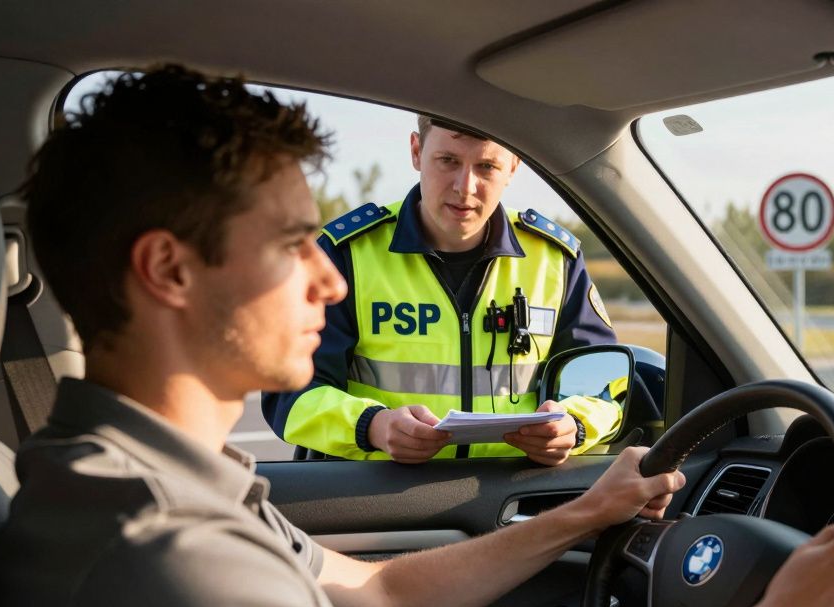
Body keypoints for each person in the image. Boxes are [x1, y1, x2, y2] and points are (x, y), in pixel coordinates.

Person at [0, 64, 834, 607]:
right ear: (169, 270)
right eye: (293, 243)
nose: (330, 280)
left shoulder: (161, 489)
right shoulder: (161, 552)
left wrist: (584, 511)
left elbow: (381, 597)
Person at [261, 115, 619, 465]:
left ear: (513, 166)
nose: (465, 187)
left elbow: (610, 384)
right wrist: (372, 426)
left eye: (487, 167)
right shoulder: (346, 254)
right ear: (416, 151)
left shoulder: (556, 260)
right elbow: (288, 395)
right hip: (377, 500)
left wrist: (574, 425)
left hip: (513, 496)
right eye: (448, 160)